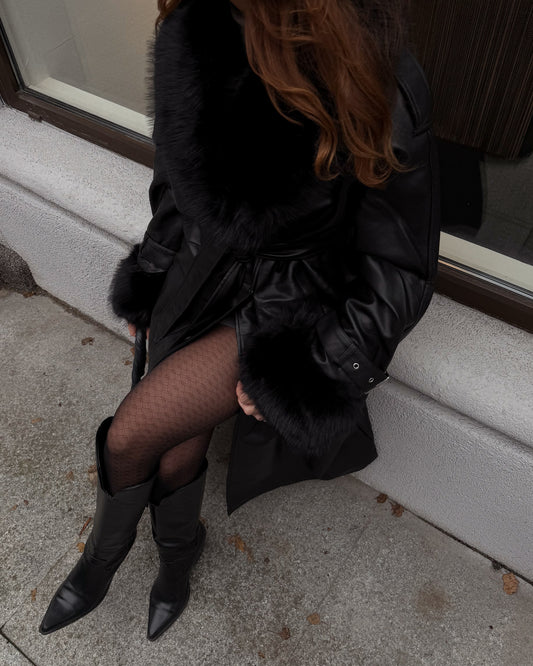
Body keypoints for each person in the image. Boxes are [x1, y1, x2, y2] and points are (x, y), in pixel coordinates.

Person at [39, 0, 440, 642]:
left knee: (130, 437)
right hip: (195, 272)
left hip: (287, 298)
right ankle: (178, 559)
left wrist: (319, 366)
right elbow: (175, 183)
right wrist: (152, 273)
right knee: (177, 449)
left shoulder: (373, 69)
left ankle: (98, 566)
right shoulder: (196, 23)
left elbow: (402, 267)